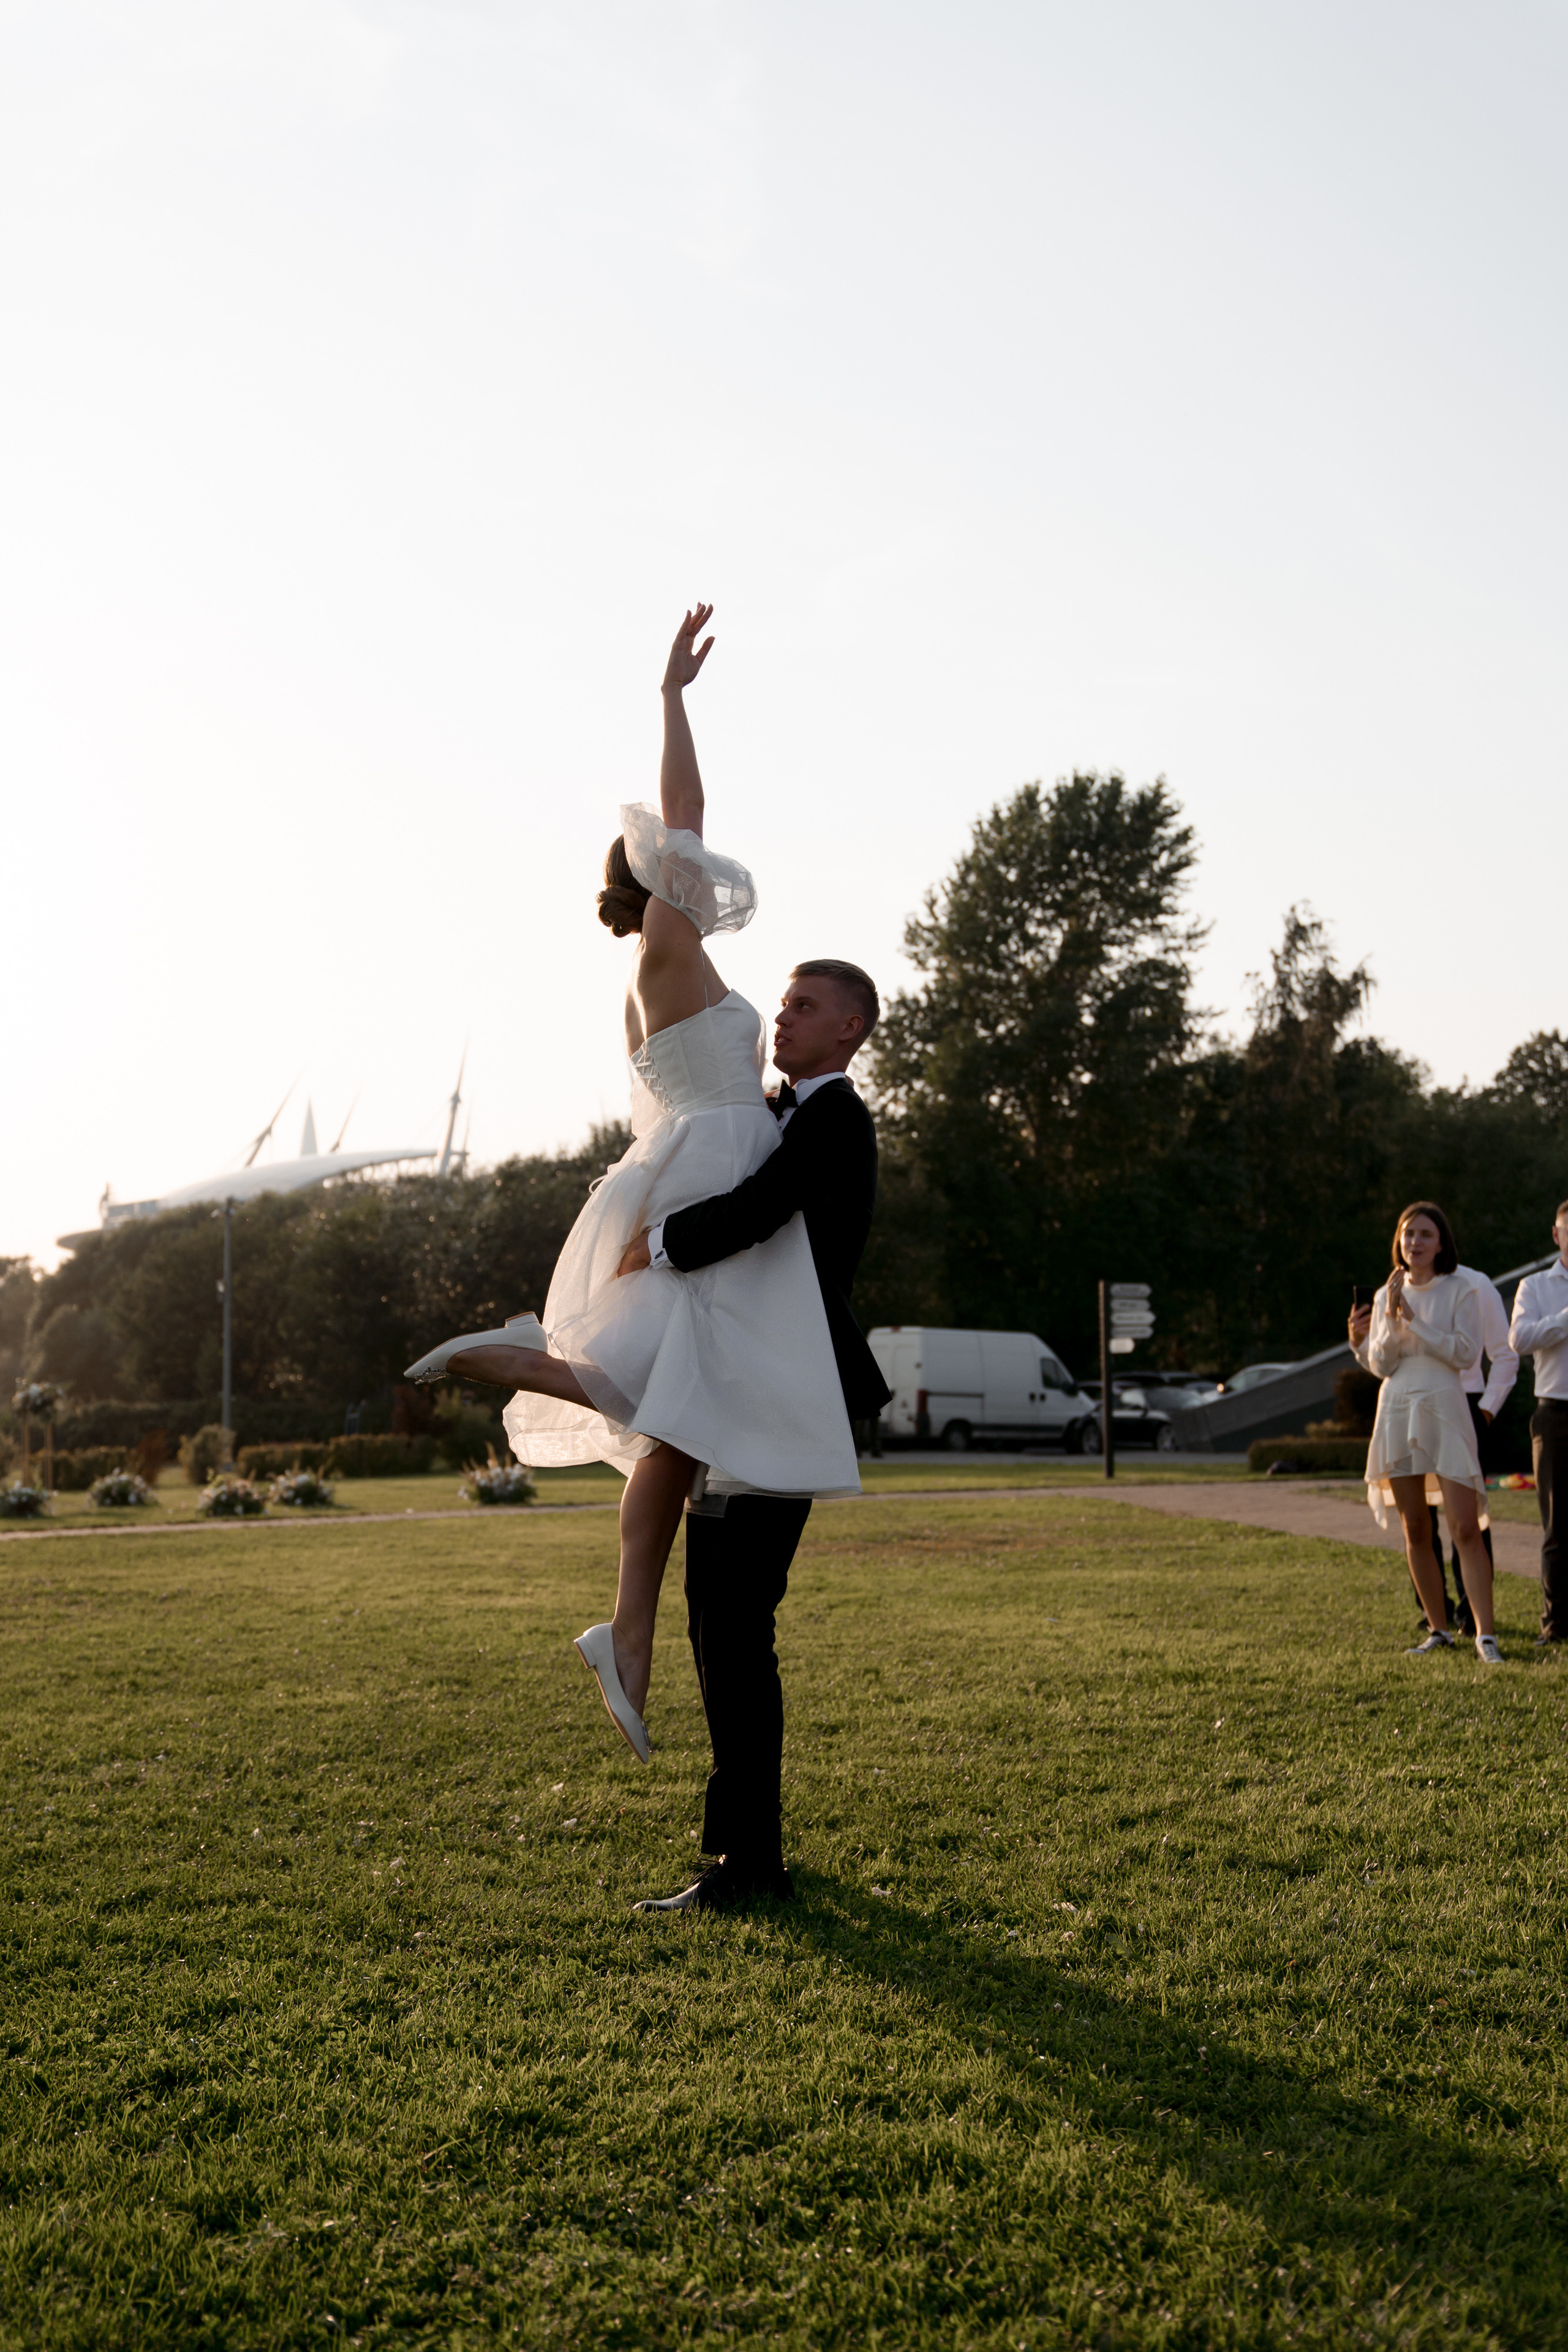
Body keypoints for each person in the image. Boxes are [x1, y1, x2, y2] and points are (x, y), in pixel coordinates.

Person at [403, 607, 861, 1762]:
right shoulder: (667, 942)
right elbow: (687, 815)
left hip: (699, 1155)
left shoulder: (669, 972)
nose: (699, 872)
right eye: (677, 867)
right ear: (658, 883)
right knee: (676, 1410)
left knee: (677, 1428)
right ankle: (530, 1366)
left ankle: (629, 1632)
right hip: (712, 1164)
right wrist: (672, 702)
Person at [611, 959, 893, 1912]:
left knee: (736, 1632)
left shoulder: (836, 1120)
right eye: (782, 1005)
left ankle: (751, 1867)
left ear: (851, 1028)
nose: (784, 1019)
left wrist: (655, 1245)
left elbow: (761, 1211)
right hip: (740, 1395)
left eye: (805, 1008)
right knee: (718, 1628)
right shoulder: (774, 1113)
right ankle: (744, 1853)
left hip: (781, 1401)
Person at [1357, 1200, 1502, 1664]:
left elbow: (1464, 1354)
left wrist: (1414, 1320)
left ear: (1441, 1244)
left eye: (1425, 1234)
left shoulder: (1461, 1288)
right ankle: (1438, 1629)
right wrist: (1390, 1317)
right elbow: (1381, 1363)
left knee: (1464, 1526)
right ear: (1398, 1242)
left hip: (1445, 1405)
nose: (1415, 1242)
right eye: (1408, 1234)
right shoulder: (1387, 1291)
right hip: (1397, 1407)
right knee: (1415, 1526)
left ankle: (1485, 1635)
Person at [1506, 1200, 1568, 1646]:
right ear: (1556, 1235)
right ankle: (1557, 1626)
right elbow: (1520, 1339)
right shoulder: (1535, 1286)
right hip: (1556, 1415)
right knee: (1558, 1528)